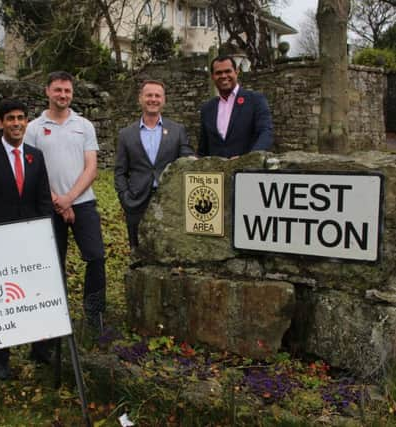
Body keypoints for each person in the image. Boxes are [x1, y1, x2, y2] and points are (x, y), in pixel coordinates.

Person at [0, 99, 54, 380]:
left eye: (21, 118)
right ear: (0, 123)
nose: (16, 123)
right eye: (10, 118)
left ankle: (40, 348)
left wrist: (46, 235)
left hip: (32, 240)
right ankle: (0, 358)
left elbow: (43, 199)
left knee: (36, 294)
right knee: (2, 299)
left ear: (26, 122)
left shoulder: (36, 156)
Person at [24, 71, 106, 332]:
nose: (63, 95)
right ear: (47, 91)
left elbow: (91, 168)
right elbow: (30, 170)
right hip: (49, 206)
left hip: (82, 202)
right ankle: (52, 317)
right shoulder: (33, 129)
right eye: (58, 90)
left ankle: (95, 316)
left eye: (67, 91)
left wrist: (69, 199)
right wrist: (57, 202)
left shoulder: (84, 125)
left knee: (96, 257)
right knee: (52, 262)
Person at [114, 80, 194, 248]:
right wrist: (125, 197)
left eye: (157, 95)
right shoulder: (126, 134)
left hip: (169, 199)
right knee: (138, 250)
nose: (153, 99)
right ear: (140, 99)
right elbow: (120, 171)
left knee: (171, 248)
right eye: (149, 95)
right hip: (136, 202)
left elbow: (187, 160)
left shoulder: (177, 130)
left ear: (164, 100)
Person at [198, 55, 273, 158]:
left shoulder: (255, 100)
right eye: (218, 73)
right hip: (216, 172)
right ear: (212, 76)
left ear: (237, 71)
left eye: (228, 71)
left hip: (245, 171)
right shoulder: (207, 109)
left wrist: (249, 159)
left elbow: (265, 133)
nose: (224, 76)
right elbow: (203, 148)